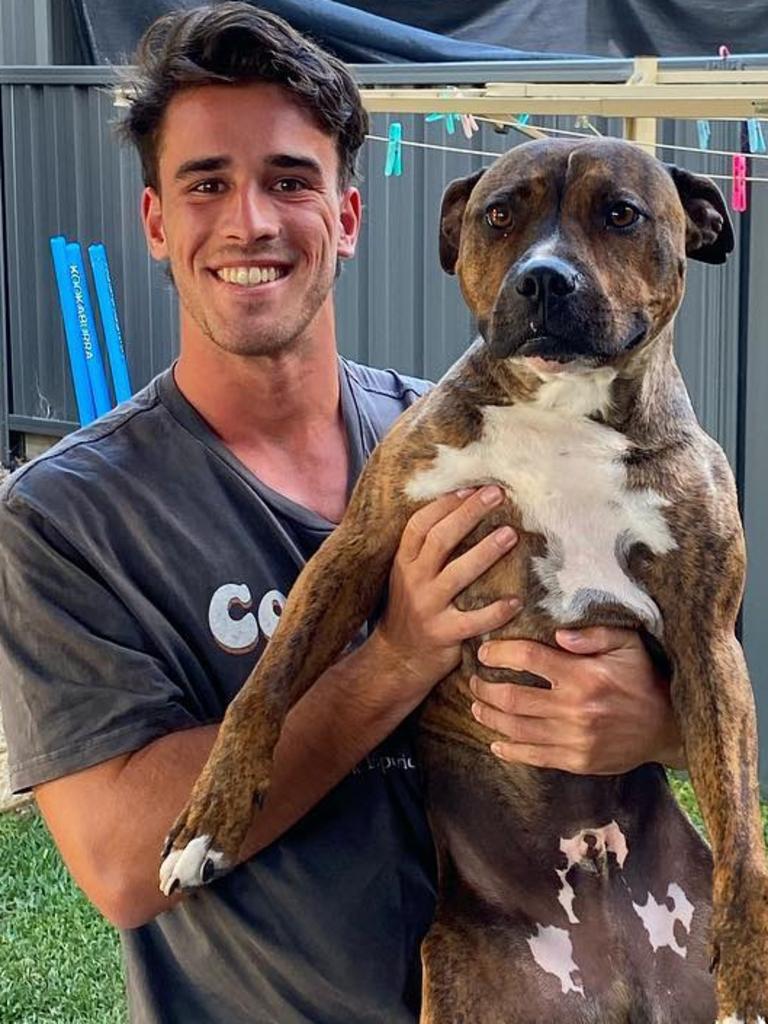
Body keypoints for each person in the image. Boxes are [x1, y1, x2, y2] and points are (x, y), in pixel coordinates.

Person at [0, 4, 683, 1022]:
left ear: (348, 219)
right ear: (156, 225)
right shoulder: (72, 517)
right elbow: (126, 862)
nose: (252, 222)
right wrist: (395, 655)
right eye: (207, 185)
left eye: (289, 181)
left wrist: (656, 722)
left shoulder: (466, 440)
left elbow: (673, 658)